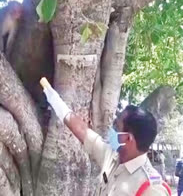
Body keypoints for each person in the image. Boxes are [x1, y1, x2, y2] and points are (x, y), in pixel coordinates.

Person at [41, 78, 171, 196]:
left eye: (117, 127)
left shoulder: (151, 187)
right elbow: (81, 130)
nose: (112, 131)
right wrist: (53, 97)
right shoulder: (111, 156)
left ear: (128, 139)